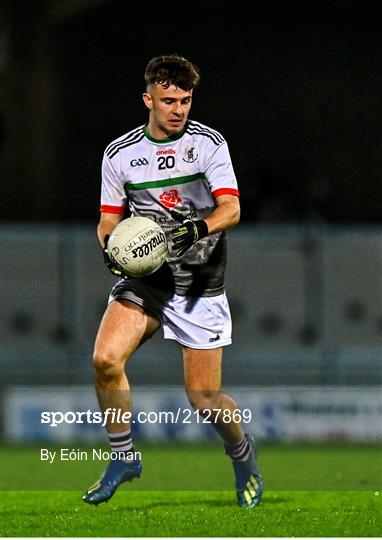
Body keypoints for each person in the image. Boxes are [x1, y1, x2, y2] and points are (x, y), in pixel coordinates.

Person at [82, 54, 263, 509]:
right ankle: (123, 458)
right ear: (148, 99)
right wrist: (110, 250)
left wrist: (195, 227)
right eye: (168, 100)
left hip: (200, 282)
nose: (178, 109)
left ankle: (242, 453)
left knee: (204, 399)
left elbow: (232, 210)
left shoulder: (207, 145)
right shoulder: (120, 153)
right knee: (105, 359)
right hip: (148, 279)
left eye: (184, 100)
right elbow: (108, 220)